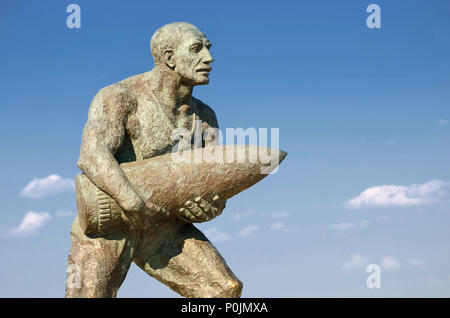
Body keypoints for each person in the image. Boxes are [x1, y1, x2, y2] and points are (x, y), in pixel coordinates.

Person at [65, 22, 243, 298]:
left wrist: (210, 208)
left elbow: (211, 183)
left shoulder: (205, 118)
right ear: (170, 58)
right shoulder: (120, 98)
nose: (209, 58)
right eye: (197, 49)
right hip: (111, 223)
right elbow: (91, 155)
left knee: (223, 290)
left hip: (164, 229)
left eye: (208, 49)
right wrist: (134, 203)